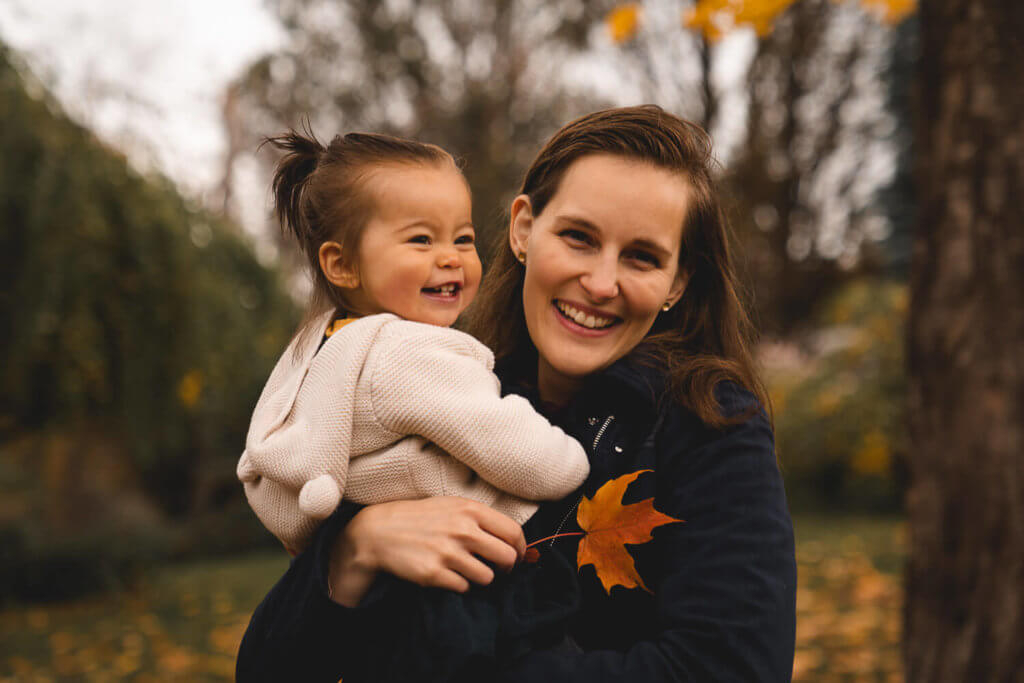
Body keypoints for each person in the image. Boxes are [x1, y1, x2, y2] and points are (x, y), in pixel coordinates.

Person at [237, 105, 798, 682]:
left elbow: (735, 669)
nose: (602, 284)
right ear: (524, 228)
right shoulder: (445, 399)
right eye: (579, 238)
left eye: (642, 257)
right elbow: (263, 670)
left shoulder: (710, 424)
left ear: (677, 282)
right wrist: (351, 552)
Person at [236, 129, 590, 679]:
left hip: (391, 600)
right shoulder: (409, 355)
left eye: (464, 238)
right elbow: (514, 447)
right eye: (421, 241)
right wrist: (573, 455)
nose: (450, 259)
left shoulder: (324, 347)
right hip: (451, 598)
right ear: (342, 265)